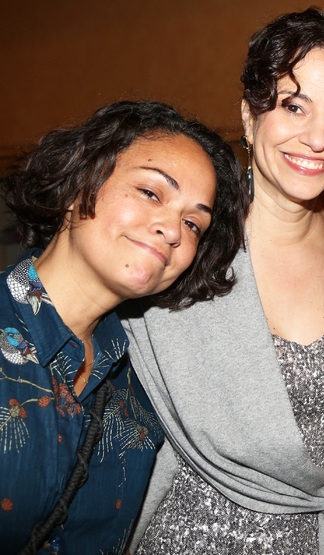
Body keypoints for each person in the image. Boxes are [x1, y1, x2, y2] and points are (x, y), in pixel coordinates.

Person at [123, 7, 324, 554]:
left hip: (318, 538)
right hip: (185, 536)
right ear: (250, 118)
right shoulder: (182, 245)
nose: (316, 138)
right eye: (293, 107)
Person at [0, 100, 244, 554]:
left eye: (193, 223)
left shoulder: (144, 384)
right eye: (152, 193)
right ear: (79, 183)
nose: (173, 229)